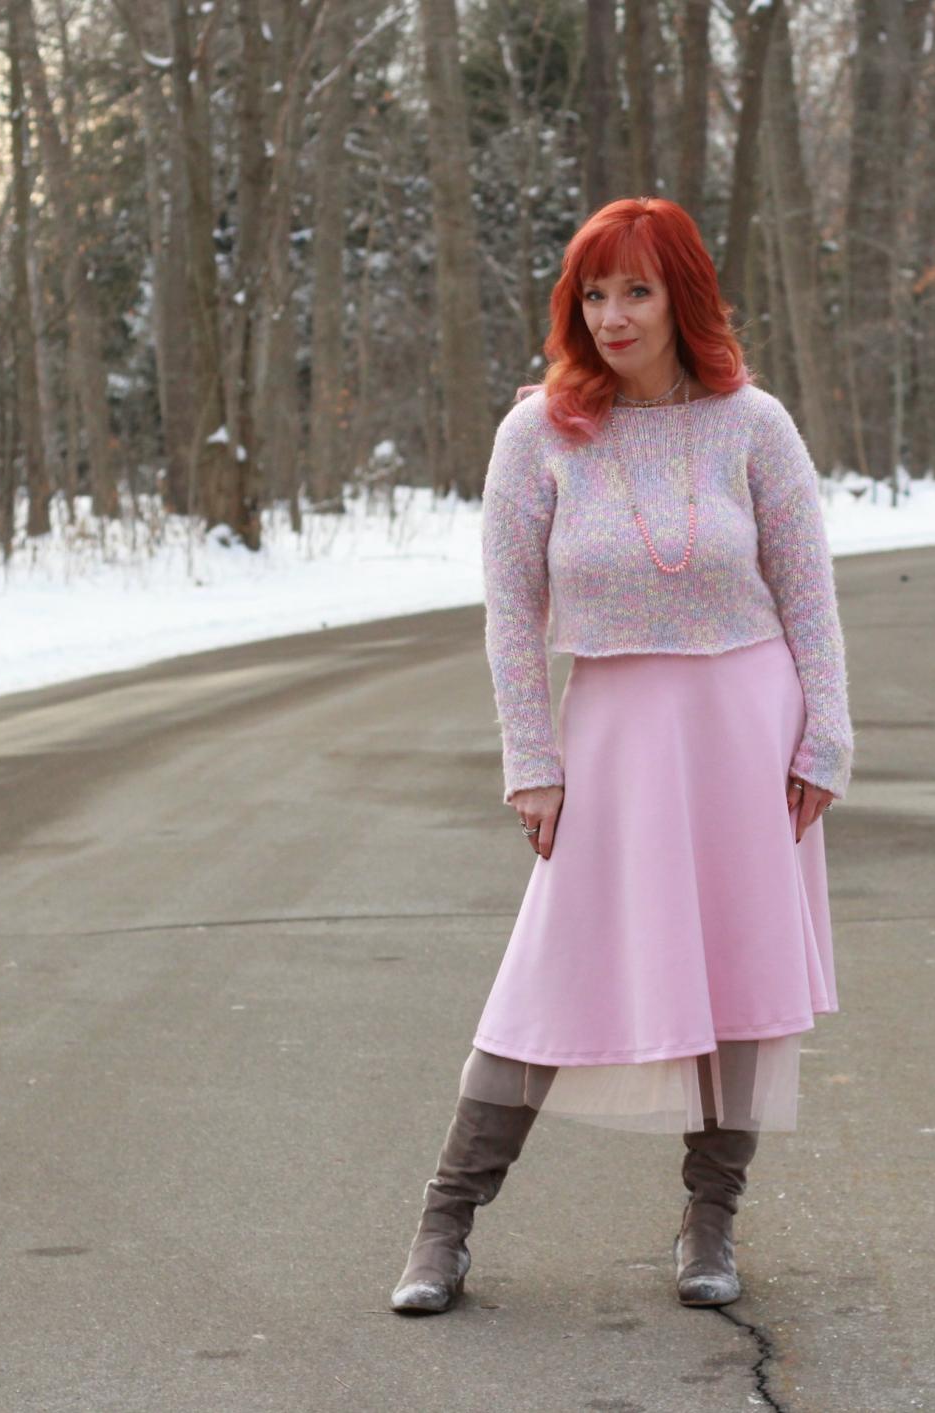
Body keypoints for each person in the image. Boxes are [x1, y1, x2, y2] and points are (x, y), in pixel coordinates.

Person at [389, 197, 854, 1317]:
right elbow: (511, 616)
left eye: (636, 290)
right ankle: (443, 1225)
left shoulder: (755, 425)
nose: (612, 315)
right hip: (609, 738)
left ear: (682, 296)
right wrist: (532, 759)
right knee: (547, 973)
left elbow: (808, 592)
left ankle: (710, 1221)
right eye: (592, 294)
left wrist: (826, 733)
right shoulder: (538, 435)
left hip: (749, 730)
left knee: (737, 978)